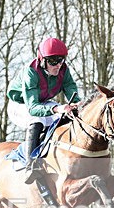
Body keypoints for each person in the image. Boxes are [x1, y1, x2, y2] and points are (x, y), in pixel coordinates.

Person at [6, 37, 80, 183]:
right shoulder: (31, 72)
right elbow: (33, 108)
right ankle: (30, 165)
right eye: (53, 61)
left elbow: (71, 89)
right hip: (20, 105)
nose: (58, 65)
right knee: (37, 119)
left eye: (61, 60)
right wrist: (57, 108)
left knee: (67, 118)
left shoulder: (63, 70)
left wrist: (77, 105)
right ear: (42, 60)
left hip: (43, 102)